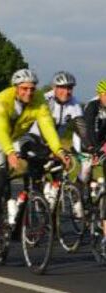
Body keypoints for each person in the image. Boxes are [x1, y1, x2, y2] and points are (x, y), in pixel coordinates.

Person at [0, 69, 70, 259]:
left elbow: (47, 127)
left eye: (31, 89)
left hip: (18, 136)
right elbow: (2, 129)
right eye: (24, 89)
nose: (28, 93)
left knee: (38, 159)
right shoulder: (3, 99)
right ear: (16, 88)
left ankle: (26, 206)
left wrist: (59, 150)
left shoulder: (38, 100)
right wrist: (10, 153)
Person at [74, 79, 106, 247]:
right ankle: (78, 195)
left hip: (101, 143)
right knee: (86, 169)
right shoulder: (92, 107)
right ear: (100, 95)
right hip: (85, 140)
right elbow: (90, 130)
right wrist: (93, 150)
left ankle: (97, 199)